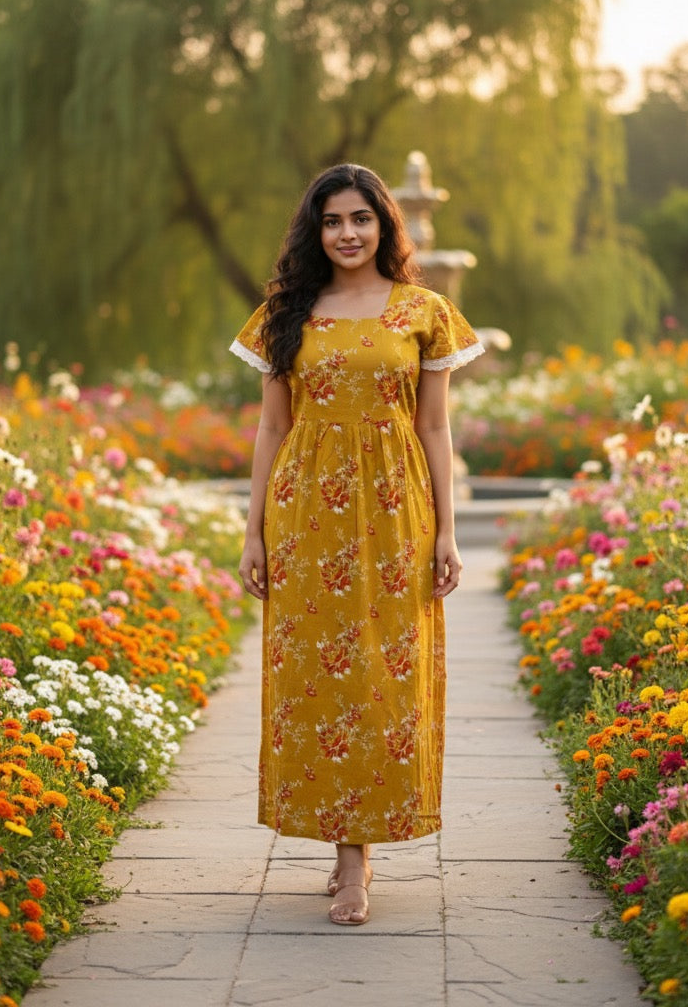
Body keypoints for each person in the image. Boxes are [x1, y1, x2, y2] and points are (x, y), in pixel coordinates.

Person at [230, 163, 484, 926]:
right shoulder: (286, 313)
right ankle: (347, 859)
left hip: (394, 510)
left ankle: (360, 850)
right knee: (319, 676)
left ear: (384, 226)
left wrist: (447, 528)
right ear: (316, 229)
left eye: (360, 220)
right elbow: (272, 427)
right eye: (333, 221)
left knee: (384, 675)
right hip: (306, 511)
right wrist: (254, 531)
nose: (346, 233)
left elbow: (434, 426)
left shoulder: (424, 311)